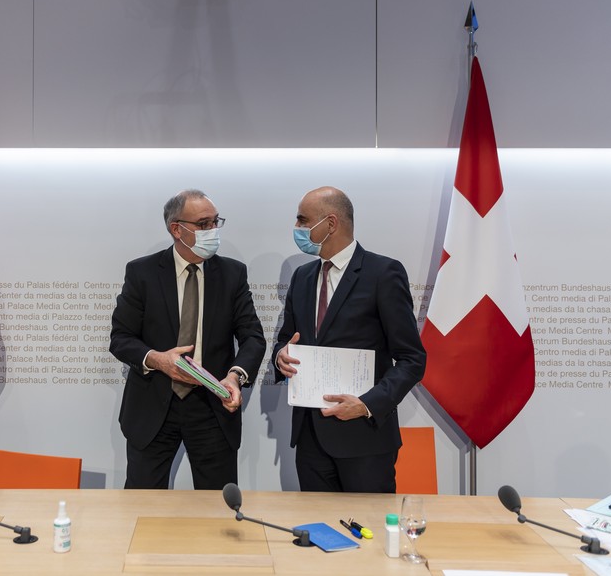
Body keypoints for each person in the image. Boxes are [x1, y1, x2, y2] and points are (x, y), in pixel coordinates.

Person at [273, 186, 426, 493]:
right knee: (319, 534)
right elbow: (285, 341)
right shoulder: (302, 278)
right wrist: (280, 357)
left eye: (303, 221)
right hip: (310, 439)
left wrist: (367, 404)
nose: (297, 228)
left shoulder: (383, 273)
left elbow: (412, 359)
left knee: (369, 535)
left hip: (364, 439)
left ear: (330, 223)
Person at [110, 189, 266, 490]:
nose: (213, 231)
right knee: (142, 503)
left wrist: (235, 377)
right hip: (153, 407)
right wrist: (159, 359)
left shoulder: (232, 274)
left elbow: (252, 337)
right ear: (176, 229)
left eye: (215, 222)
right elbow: (121, 338)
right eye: (204, 224)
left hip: (212, 408)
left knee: (216, 507)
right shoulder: (142, 273)